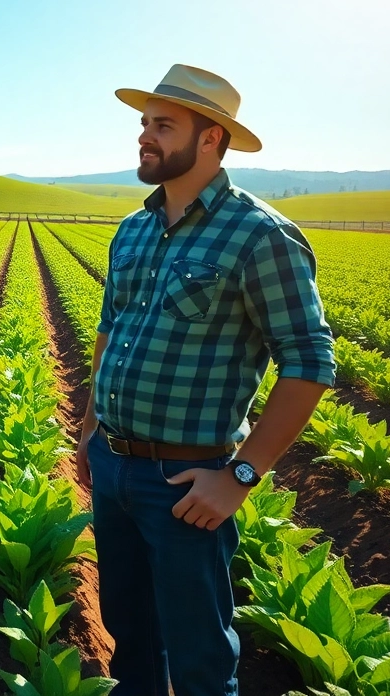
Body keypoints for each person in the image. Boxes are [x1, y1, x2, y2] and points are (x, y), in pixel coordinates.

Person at [75, 64, 336, 695]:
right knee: (129, 637)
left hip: (189, 485)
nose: (146, 136)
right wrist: (88, 435)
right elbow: (110, 332)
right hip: (113, 468)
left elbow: (309, 360)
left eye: (163, 125)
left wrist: (241, 476)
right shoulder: (133, 230)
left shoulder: (258, 235)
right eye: (144, 124)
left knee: (198, 657)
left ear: (212, 138)